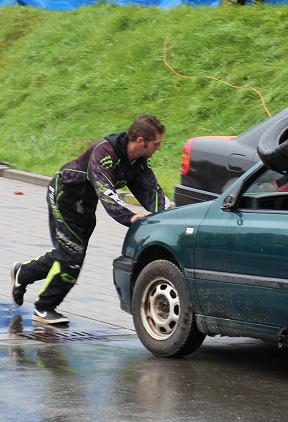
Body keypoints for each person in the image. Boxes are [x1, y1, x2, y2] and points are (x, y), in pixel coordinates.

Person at [10, 115, 172, 326]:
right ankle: (44, 307)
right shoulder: (104, 153)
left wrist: (169, 216)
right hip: (64, 197)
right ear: (141, 141)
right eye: (156, 144)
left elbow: (152, 192)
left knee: (68, 253)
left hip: (85, 205)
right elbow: (105, 191)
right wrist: (130, 216)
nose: (159, 148)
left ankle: (23, 273)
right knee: (72, 256)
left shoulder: (137, 162)